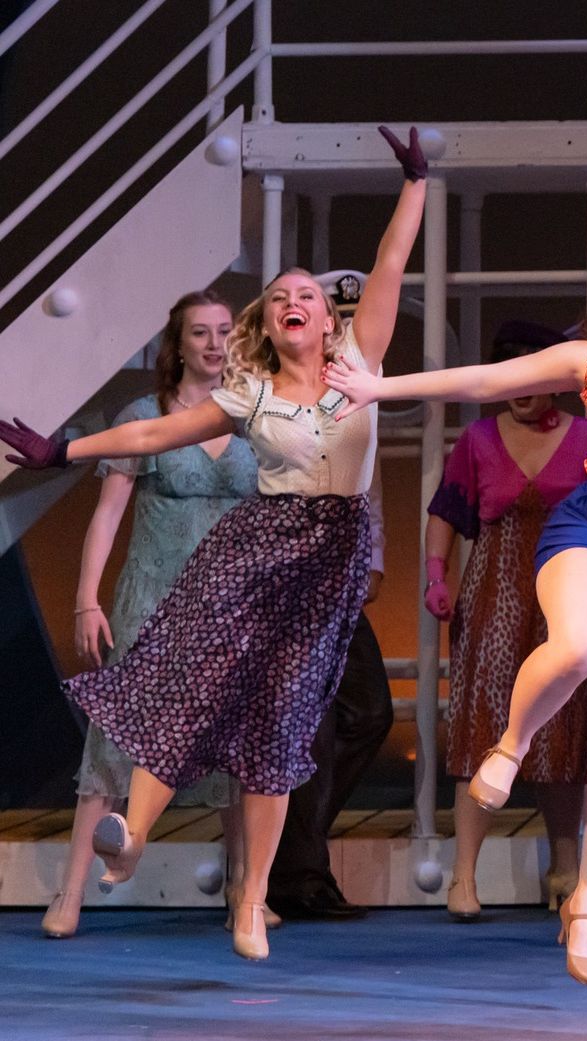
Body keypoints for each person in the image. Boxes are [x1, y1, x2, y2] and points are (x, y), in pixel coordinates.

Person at [318, 106, 587, 985]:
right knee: (579, 643)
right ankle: (511, 744)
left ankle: (586, 903)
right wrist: (379, 387)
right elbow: (486, 379)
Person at [1, 127, 427, 961]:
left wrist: (414, 185)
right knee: (194, 682)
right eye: (279, 296)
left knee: (280, 726)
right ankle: (131, 835)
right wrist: (65, 450)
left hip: (327, 563)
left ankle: (252, 900)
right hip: (257, 547)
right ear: (269, 323)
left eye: (306, 292)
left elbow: (388, 265)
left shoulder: (360, 362)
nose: (294, 298)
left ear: (326, 317)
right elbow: (152, 433)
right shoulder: (248, 395)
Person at [43, 291, 256, 940]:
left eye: (224, 331)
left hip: (230, 607)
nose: (215, 343)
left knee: (234, 752)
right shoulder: (146, 415)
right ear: (178, 344)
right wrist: (86, 598)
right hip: (153, 600)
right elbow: (107, 515)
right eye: (201, 332)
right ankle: (70, 893)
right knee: (115, 746)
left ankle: (244, 893)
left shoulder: (252, 415)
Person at [426, 321, 587, 922]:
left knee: (563, 726)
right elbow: (446, 512)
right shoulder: (478, 439)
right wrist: (437, 577)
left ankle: (565, 867)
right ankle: (463, 876)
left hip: (568, 587)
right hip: (494, 591)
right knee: (482, 725)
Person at [267, 468, 395, 922]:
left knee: (371, 712)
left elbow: (367, 476)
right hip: (288, 570)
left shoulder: (358, 418)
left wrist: (373, 556)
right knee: (313, 724)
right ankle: (299, 873)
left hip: (340, 573)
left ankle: (287, 853)